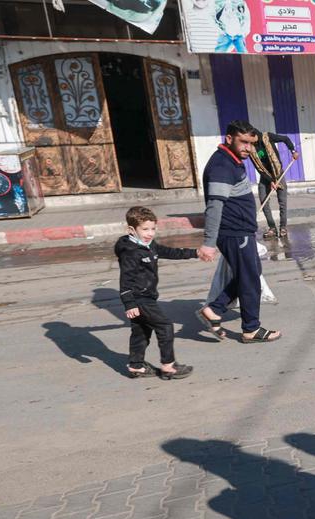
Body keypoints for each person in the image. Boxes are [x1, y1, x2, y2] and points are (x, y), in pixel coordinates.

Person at [195, 120, 282, 344]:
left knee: (250, 273)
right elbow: (214, 206)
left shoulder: (232, 161)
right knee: (250, 278)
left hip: (241, 231)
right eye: (244, 142)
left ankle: (214, 309)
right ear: (229, 138)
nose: (248, 148)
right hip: (234, 233)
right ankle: (251, 329)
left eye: (251, 144)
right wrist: (208, 242)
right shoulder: (222, 167)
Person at [116, 206, 198, 380]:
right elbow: (126, 279)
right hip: (140, 298)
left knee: (141, 332)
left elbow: (168, 251)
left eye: (153, 229)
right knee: (165, 326)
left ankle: (136, 366)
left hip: (146, 296)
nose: (150, 233)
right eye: (145, 229)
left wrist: (195, 253)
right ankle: (168, 366)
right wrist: (129, 303)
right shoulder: (130, 252)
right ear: (132, 229)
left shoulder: (147, 244)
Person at [250, 129, 299, 241]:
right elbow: (259, 169)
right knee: (264, 200)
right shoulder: (250, 148)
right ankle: (272, 228)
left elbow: (285, 139)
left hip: (278, 173)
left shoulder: (267, 137)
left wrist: (293, 151)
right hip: (265, 177)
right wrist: (270, 180)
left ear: (254, 135)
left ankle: (283, 227)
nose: (247, 141)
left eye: (249, 138)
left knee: (282, 202)